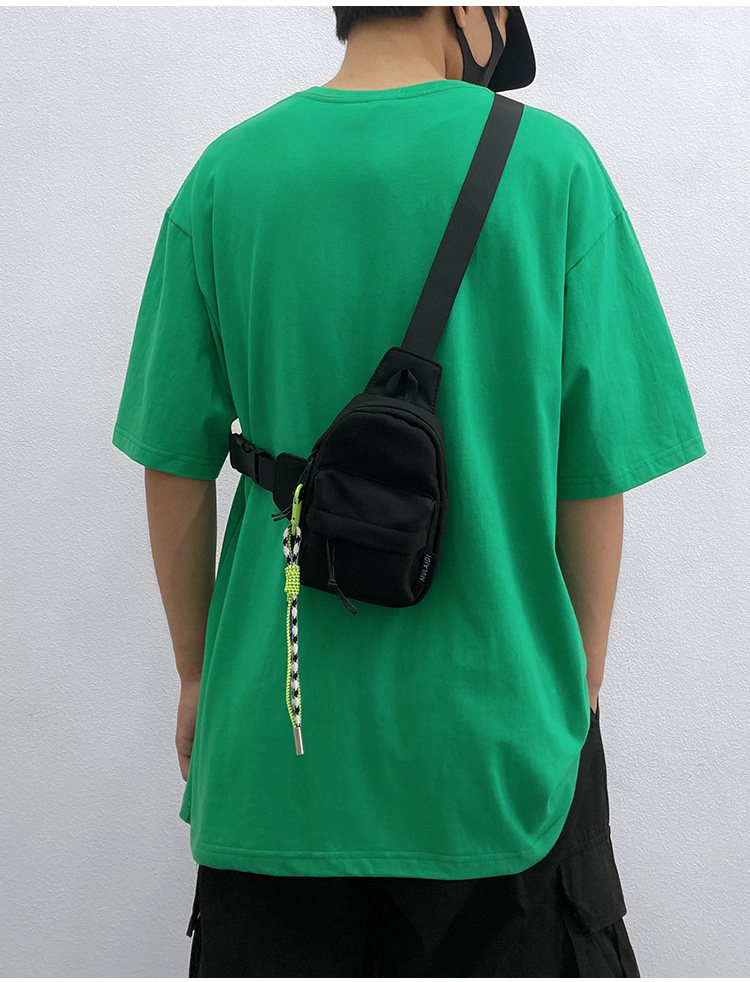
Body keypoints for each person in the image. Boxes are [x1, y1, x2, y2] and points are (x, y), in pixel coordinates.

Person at [112, 6, 706, 977]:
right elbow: (592, 476)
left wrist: (196, 676)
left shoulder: (225, 177)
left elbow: (172, 462)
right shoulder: (553, 168)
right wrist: (579, 681)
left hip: (277, 765)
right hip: (499, 761)